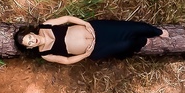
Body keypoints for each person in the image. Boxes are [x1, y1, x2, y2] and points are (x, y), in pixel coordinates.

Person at [15, 16, 168, 64]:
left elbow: (67, 18)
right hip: (95, 49)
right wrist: (85, 55)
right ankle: (141, 42)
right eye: (28, 43)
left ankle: (157, 31)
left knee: (129, 28)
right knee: (126, 45)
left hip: (96, 29)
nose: (32, 41)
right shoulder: (45, 53)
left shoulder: (46, 26)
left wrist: (85, 24)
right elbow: (67, 61)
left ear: (31, 33)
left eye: (29, 38)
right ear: (29, 48)